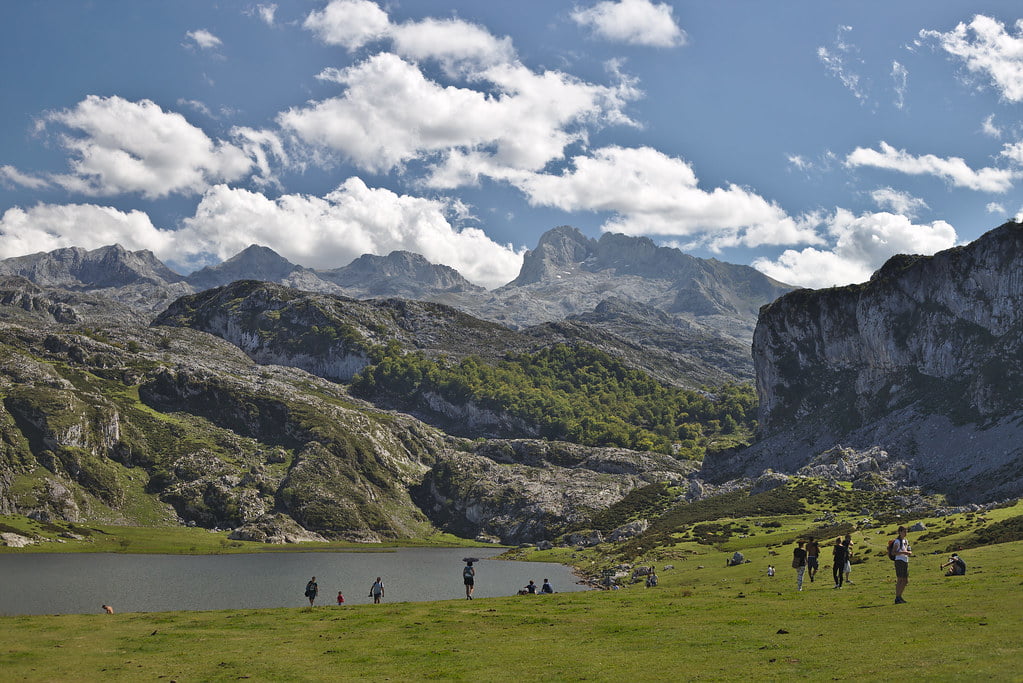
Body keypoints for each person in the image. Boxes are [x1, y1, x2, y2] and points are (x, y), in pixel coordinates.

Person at [892, 525, 912, 604]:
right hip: (899, 561)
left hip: (905, 560)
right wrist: (904, 552)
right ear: (900, 532)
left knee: (905, 580)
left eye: (906, 531)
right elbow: (893, 552)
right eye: (904, 531)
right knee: (900, 579)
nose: (905, 533)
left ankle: (899, 596)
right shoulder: (897, 542)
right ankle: (897, 597)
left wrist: (908, 552)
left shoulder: (905, 541)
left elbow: (908, 549)